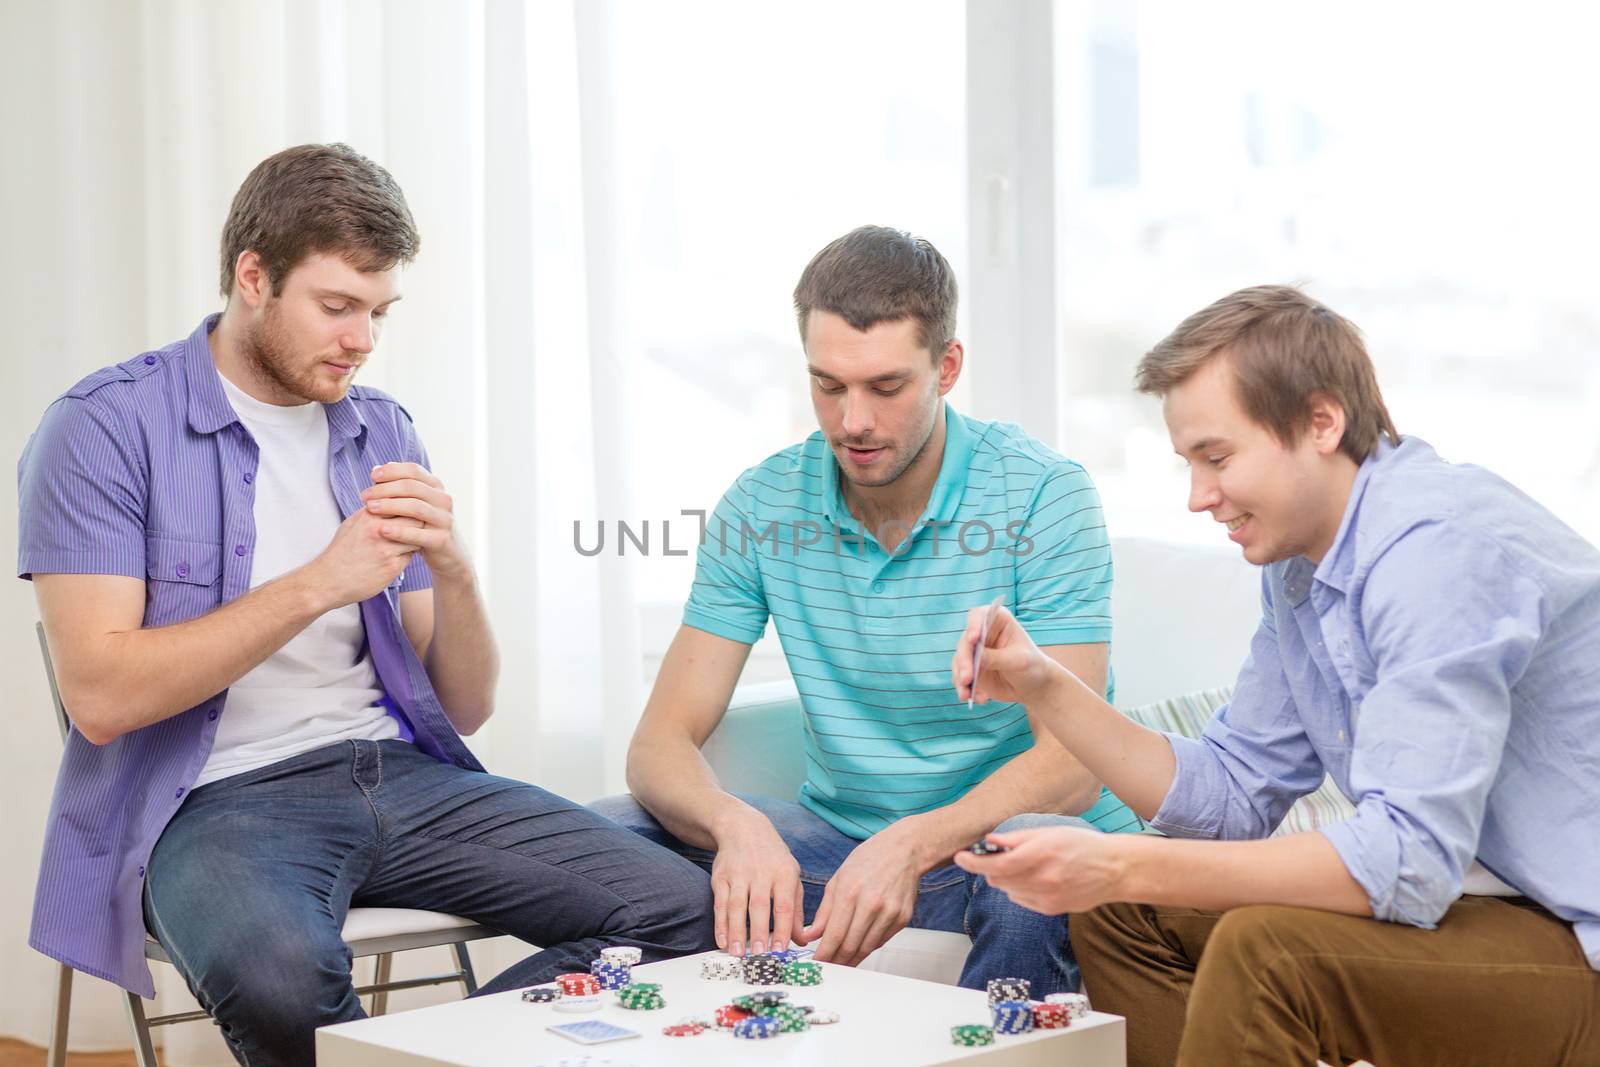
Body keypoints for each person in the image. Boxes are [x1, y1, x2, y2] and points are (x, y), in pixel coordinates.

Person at [18, 143, 714, 1067]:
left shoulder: (380, 427)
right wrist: (319, 581)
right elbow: (100, 696)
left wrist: (456, 571)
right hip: (211, 799)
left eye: (379, 312)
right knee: (279, 974)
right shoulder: (105, 427)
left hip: (399, 773)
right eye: (338, 306)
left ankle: (414, 1056)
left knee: (682, 911)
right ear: (253, 276)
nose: (362, 340)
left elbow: (462, 705)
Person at [952, 285, 1600, 1066]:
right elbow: (1227, 796)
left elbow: (1407, 860)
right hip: (1494, 903)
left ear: (1322, 421)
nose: (1198, 496)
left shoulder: (1436, 550)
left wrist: (1124, 858)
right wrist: (1044, 682)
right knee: (1124, 910)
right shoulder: (1303, 571)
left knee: (1266, 953)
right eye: (1190, 462)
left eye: (1217, 458)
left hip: (1576, 935)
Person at [592, 225, 1143, 997]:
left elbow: (1075, 765)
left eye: (886, 387)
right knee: (599, 833)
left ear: (947, 367)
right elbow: (659, 741)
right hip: (841, 847)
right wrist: (733, 823)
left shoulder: (1044, 495)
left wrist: (915, 843)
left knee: (1033, 858)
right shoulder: (760, 504)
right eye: (828, 384)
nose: (852, 420)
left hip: (1004, 850)